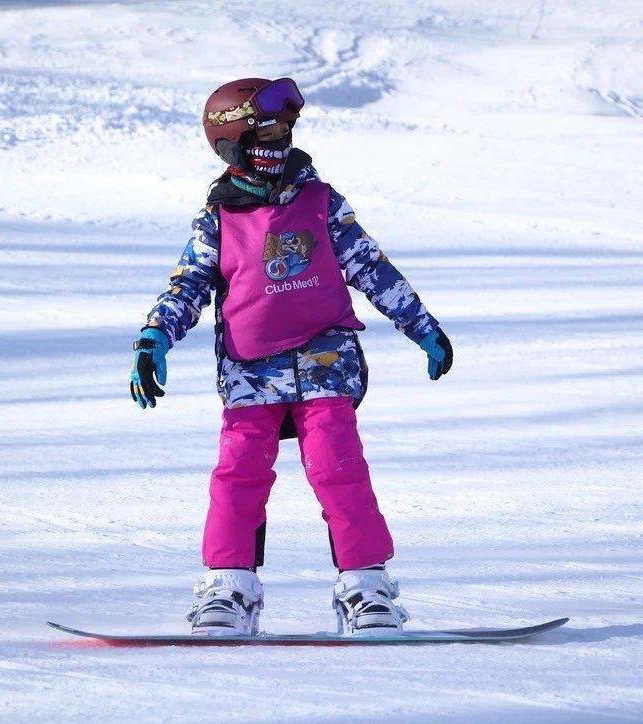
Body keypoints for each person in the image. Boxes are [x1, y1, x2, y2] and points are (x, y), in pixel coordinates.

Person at [130, 77, 453, 637]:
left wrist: (420, 326)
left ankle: (366, 587)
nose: (282, 137)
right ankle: (229, 589)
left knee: (338, 466)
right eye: (268, 128)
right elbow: (185, 286)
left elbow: (371, 267)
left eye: (288, 127)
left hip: (327, 359)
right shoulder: (218, 219)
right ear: (234, 139)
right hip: (251, 369)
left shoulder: (321, 201)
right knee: (239, 473)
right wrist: (154, 338)